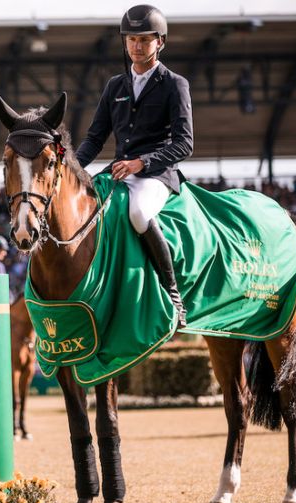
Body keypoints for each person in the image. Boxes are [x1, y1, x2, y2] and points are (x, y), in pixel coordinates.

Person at [75, 4, 193, 327]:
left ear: (160, 42)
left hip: (155, 175)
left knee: (138, 213)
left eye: (144, 40)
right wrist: (71, 170)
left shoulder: (174, 84)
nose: (137, 47)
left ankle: (173, 295)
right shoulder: (115, 86)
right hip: (119, 172)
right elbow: (94, 139)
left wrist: (141, 163)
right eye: (131, 40)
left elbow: (185, 143)